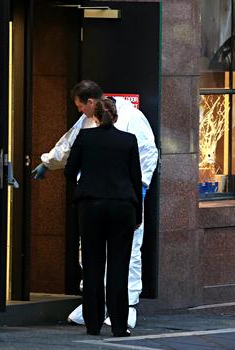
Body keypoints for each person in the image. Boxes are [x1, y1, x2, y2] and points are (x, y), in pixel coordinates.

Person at [32, 80, 158, 328]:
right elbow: (68, 143)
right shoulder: (93, 125)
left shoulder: (129, 119)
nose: (80, 111)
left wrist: (139, 188)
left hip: (103, 201)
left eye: (81, 106)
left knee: (112, 255)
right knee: (106, 256)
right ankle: (96, 305)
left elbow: (146, 154)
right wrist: (47, 162)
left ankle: (122, 306)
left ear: (91, 103)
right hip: (122, 202)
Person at [64, 98, 142, 337]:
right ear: (115, 117)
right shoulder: (129, 140)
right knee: (119, 266)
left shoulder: (86, 139)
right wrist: (137, 213)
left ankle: (93, 323)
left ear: (94, 117)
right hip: (122, 207)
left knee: (92, 265)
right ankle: (119, 325)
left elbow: (69, 170)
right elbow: (135, 179)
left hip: (91, 206)